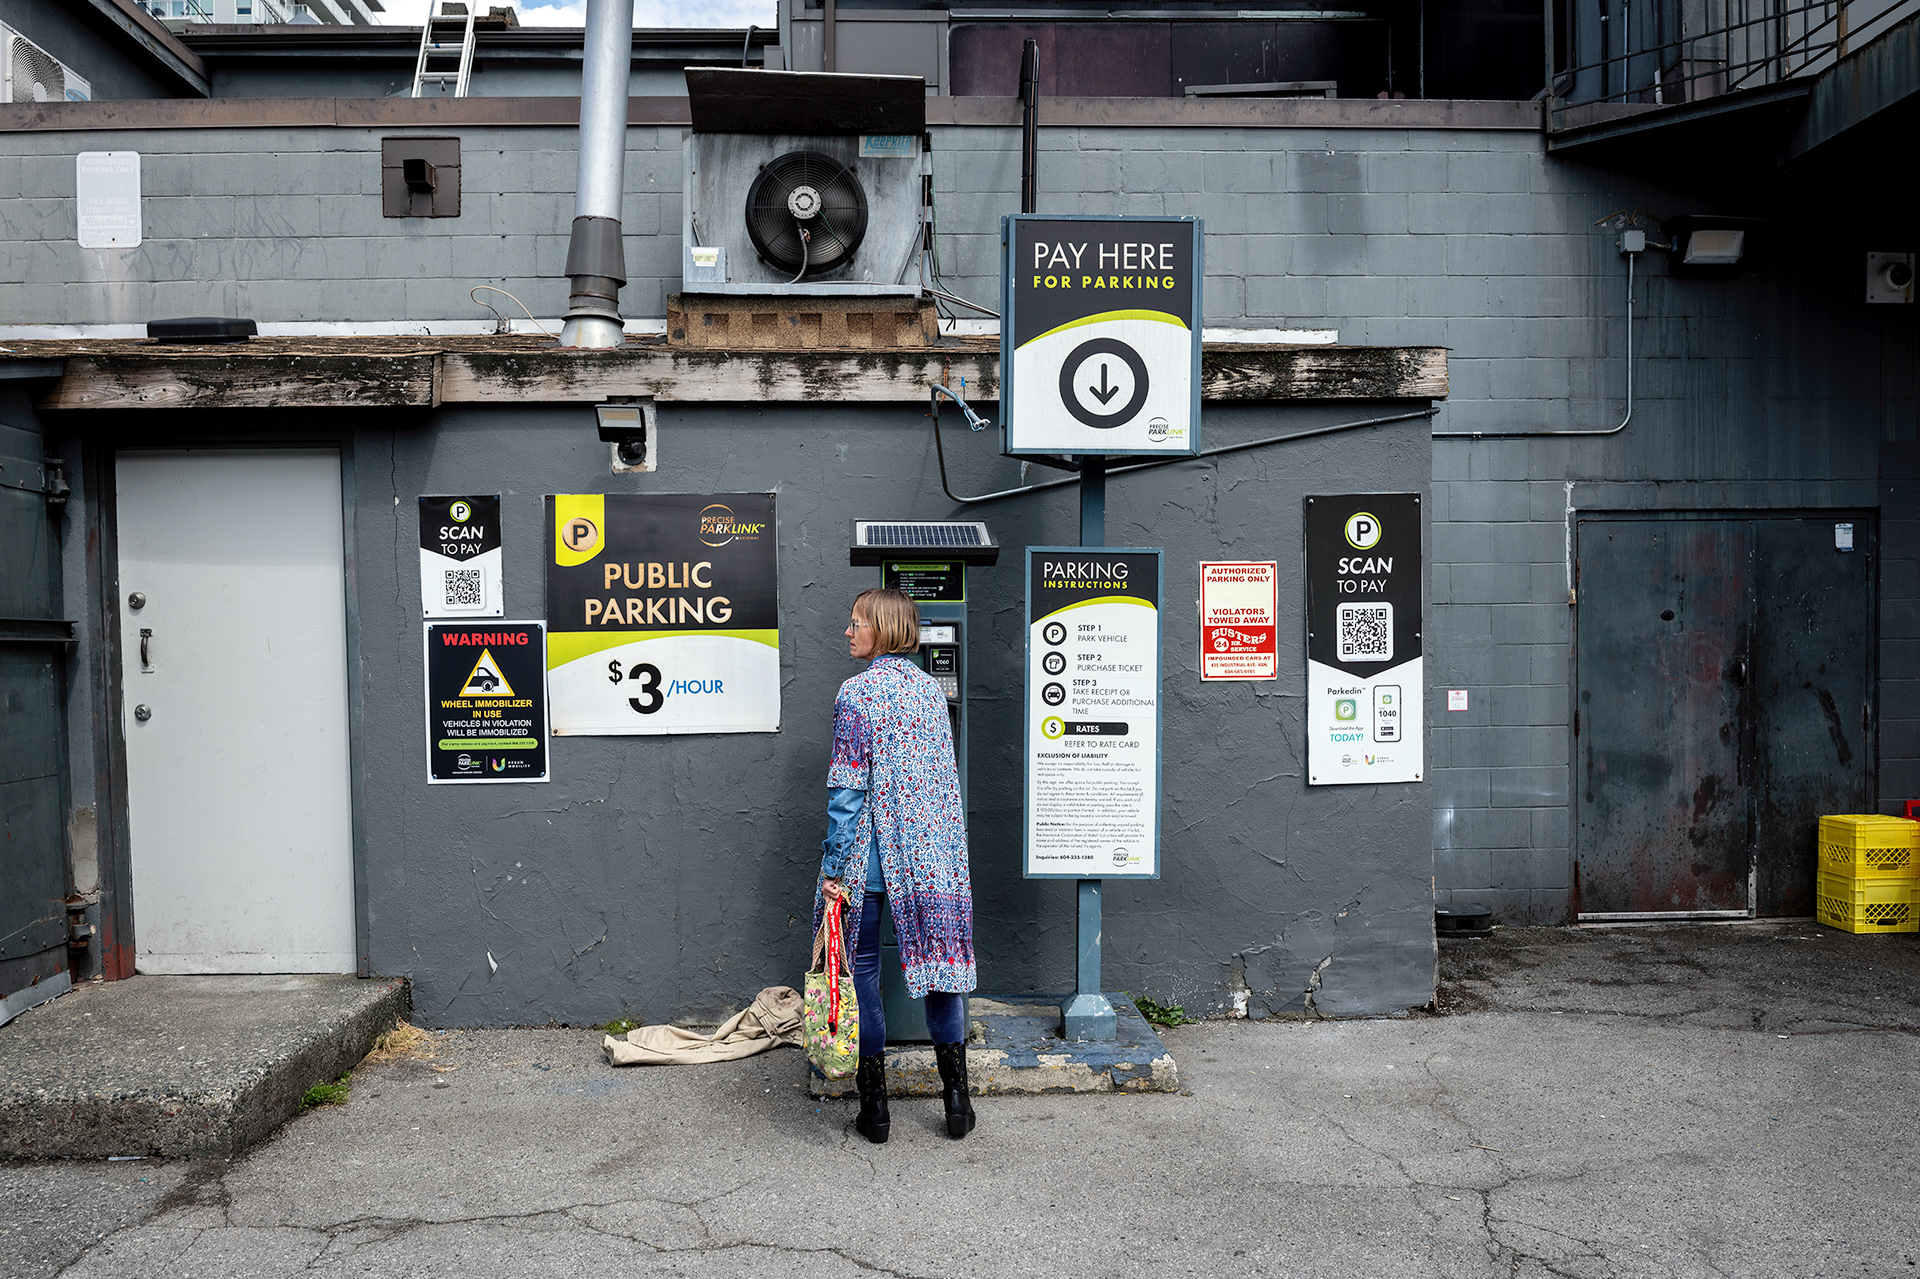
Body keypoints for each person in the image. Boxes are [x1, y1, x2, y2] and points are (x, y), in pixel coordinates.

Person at [816, 587, 977, 1143]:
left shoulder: (855, 694)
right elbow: (942, 780)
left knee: (862, 974)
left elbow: (847, 787)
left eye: (857, 622)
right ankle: (958, 1101)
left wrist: (835, 866)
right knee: (942, 972)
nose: (848, 630)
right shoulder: (932, 693)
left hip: (872, 858)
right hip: (932, 857)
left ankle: (876, 1111)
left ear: (881, 630)